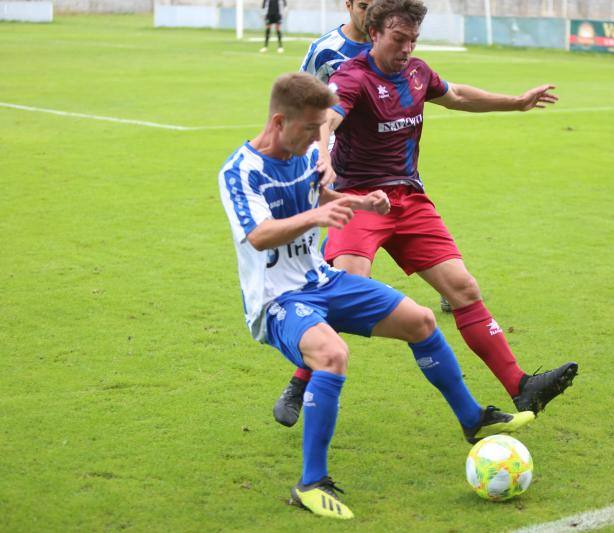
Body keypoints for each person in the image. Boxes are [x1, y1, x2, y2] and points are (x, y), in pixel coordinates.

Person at [218, 72, 534, 519]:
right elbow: (259, 235)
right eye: (310, 128)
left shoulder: (305, 153)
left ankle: (471, 419)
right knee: (332, 354)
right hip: (278, 300)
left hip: (323, 280)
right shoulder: (239, 171)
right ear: (277, 121)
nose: (318, 137)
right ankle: (310, 483)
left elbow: (318, 191)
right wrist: (318, 215)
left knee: (422, 321)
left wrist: (359, 202)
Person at [272, 0, 579, 429]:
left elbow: (456, 96)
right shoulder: (353, 75)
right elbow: (328, 116)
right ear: (375, 32)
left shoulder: (418, 72)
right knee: (349, 285)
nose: (407, 48)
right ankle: (301, 380)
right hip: (360, 199)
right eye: (399, 39)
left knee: (463, 288)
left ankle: (520, 383)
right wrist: (323, 155)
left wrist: (516, 102)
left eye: (413, 40)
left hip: (410, 201)